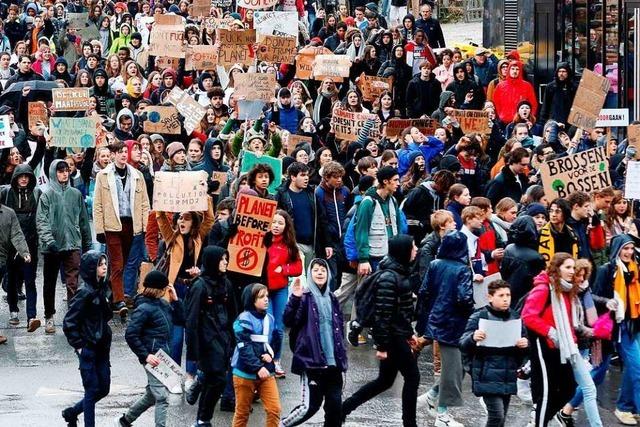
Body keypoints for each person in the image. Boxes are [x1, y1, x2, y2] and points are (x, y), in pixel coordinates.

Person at [342, 235, 419, 427]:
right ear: (403, 251)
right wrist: (382, 346)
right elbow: (383, 315)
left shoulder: (398, 272)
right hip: (392, 338)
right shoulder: (389, 277)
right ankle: (410, 423)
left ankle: (342, 410)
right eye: (413, 246)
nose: (416, 249)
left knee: (384, 381)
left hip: (397, 335)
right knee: (412, 376)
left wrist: (409, 334)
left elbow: (401, 312)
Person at [416, 231, 474, 427]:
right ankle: (441, 414)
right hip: (456, 324)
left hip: (437, 319)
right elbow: (464, 298)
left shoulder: (435, 264)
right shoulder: (463, 270)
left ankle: (433, 395)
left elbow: (424, 292)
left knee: (455, 367)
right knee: (455, 369)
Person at [281, 258, 348, 426]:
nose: (319, 272)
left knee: (335, 407)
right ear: (310, 274)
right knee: (309, 406)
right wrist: (295, 298)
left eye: (323, 270)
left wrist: (342, 356)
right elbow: (288, 321)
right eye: (316, 269)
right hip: (312, 362)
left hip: (333, 363)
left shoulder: (332, 298)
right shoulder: (304, 296)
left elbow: (338, 328)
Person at [118, 270, 183, 427]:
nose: (166, 291)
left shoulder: (164, 305)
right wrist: (146, 355)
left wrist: (176, 301)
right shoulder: (144, 309)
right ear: (158, 289)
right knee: (162, 396)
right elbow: (131, 335)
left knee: (152, 395)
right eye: (165, 289)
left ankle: (125, 420)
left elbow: (182, 320)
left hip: (163, 357)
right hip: (153, 358)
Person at [460, 280, 529, 427]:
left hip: (508, 374)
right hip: (486, 374)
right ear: (490, 297)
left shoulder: (516, 318)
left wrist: (525, 344)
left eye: (508, 295)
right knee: (496, 416)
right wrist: (473, 337)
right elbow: (462, 343)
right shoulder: (479, 316)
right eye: (501, 295)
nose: (505, 299)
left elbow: (526, 348)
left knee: (501, 418)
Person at [521, 253, 580, 426]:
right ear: (557, 268)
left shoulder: (566, 289)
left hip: (561, 347)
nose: (572, 271)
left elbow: (568, 321)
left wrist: (573, 339)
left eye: (573, 268)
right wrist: (550, 332)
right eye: (567, 267)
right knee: (547, 393)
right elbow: (528, 315)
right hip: (545, 345)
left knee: (568, 388)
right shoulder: (544, 288)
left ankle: (543, 419)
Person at [93, 141, 150, 316]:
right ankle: (119, 301)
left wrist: (145, 226)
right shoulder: (103, 175)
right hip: (112, 225)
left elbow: (144, 203)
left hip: (131, 225)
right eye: (120, 152)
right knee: (117, 263)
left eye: (126, 151)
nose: (124, 154)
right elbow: (98, 204)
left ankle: (111, 292)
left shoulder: (137, 175)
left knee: (122, 263)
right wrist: (99, 230)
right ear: (113, 155)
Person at [37, 159, 92, 334]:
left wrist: (87, 243)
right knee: (50, 282)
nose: (64, 174)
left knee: (73, 283)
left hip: (72, 244)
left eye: (66, 170)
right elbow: (42, 220)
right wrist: (49, 241)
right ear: (54, 173)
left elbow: (83, 220)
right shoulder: (46, 194)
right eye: (60, 171)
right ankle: (49, 316)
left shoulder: (75, 194)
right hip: (52, 246)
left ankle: (73, 317)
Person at [185, 246, 238, 424]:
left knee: (213, 378)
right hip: (207, 341)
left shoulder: (226, 283)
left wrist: (234, 339)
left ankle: (201, 418)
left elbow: (233, 313)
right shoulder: (199, 286)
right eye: (222, 259)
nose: (225, 262)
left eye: (226, 258)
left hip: (223, 339)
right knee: (219, 380)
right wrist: (193, 351)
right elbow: (191, 320)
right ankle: (204, 419)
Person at [593, 234, 640, 426]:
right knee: (598, 371)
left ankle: (625, 407)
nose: (629, 252)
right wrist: (608, 302)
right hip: (610, 328)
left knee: (636, 368)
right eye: (625, 248)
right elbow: (593, 296)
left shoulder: (636, 269)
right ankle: (568, 407)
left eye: (631, 248)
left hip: (630, 326)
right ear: (617, 249)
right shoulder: (607, 269)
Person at [61, 251, 112, 427]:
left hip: (103, 347)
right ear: (92, 268)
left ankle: (72, 412)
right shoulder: (84, 292)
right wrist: (80, 346)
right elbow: (69, 322)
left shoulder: (104, 287)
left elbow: (105, 316)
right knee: (91, 390)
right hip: (89, 347)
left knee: (103, 388)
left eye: (105, 263)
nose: (104, 266)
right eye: (100, 264)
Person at [231, 283, 282, 427]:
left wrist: (270, 356)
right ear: (251, 299)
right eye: (261, 297)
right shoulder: (243, 319)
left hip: (266, 372)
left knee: (274, 409)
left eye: (267, 296)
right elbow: (244, 346)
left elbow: (276, 340)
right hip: (244, 373)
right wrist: (258, 366)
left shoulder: (270, 319)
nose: (266, 299)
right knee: (242, 413)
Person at [263, 210, 303, 378]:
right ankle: (266, 360)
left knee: (279, 329)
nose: (276, 226)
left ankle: (276, 360)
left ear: (286, 226)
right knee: (269, 327)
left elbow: (298, 267)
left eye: (280, 223)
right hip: (263, 290)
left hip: (280, 289)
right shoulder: (262, 241)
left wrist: (284, 270)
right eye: (273, 222)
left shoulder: (290, 244)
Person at [1, 164, 38, 331]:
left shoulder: (37, 194)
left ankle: (32, 316)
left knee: (30, 280)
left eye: (27, 176)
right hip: (10, 245)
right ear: (15, 178)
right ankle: (13, 310)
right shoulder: (6, 193)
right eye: (20, 176)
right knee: (12, 279)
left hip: (30, 243)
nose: (23, 179)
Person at [354, 166, 403, 276]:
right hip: (375, 258)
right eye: (395, 180)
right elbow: (361, 231)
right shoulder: (368, 202)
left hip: (392, 256)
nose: (398, 183)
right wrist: (363, 259)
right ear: (385, 181)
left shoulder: (393, 201)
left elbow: (398, 227)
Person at [501, 215, 546, 306]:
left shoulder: (509, 249)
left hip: (509, 292)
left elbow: (504, 272)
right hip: (526, 296)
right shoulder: (536, 257)